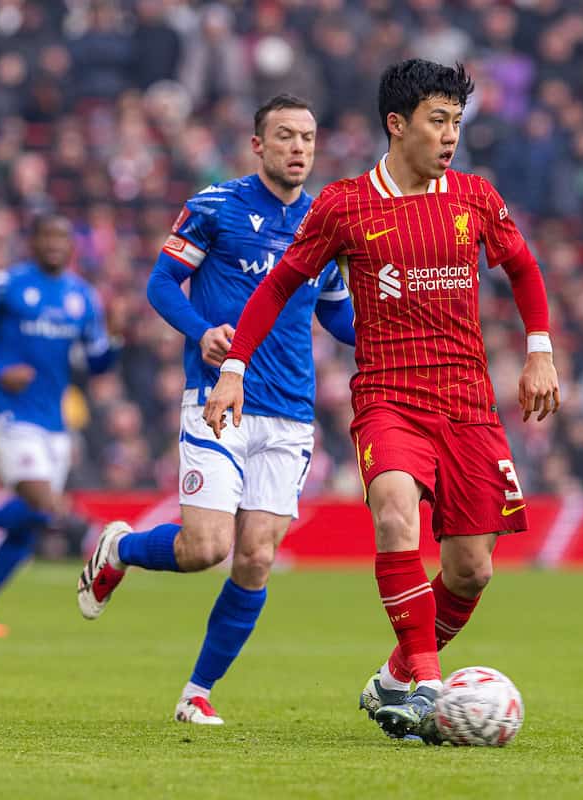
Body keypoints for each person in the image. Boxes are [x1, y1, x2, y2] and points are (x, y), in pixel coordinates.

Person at [203, 60, 560, 741]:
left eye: (457, 122)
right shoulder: (343, 206)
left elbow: (522, 268)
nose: (450, 135)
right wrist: (235, 368)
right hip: (390, 398)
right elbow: (278, 287)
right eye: (437, 120)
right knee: (395, 516)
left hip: (468, 404)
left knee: (471, 569)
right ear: (397, 125)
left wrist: (539, 349)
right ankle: (428, 685)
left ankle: (395, 677)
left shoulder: (476, 199)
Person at [76, 95, 355, 726]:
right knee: (206, 547)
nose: (298, 148)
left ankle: (196, 692)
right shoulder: (216, 207)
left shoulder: (327, 223)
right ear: (258, 145)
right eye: (284, 136)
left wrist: (387, 340)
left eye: (307, 137)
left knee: (255, 556)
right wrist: (202, 331)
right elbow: (158, 283)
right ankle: (118, 550)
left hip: (290, 410)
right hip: (218, 396)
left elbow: (334, 310)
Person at [0, 214, 119, 637]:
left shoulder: (83, 297)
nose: (56, 245)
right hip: (10, 412)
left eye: (64, 238)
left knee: (33, 523)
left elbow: (96, 364)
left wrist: (113, 338)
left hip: (54, 420)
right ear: (33, 242)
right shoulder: (8, 285)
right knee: (43, 502)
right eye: (48, 237)